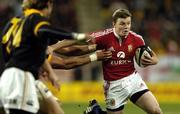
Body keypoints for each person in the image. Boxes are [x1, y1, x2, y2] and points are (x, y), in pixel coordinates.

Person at [0, 0, 92, 114]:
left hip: (12, 76)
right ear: (48, 4)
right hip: (22, 77)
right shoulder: (35, 18)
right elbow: (45, 29)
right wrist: (77, 36)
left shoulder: (13, 22)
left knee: (56, 110)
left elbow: (7, 52)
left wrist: (51, 74)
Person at [85, 9, 162, 114]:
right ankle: (95, 111)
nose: (126, 27)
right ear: (114, 24)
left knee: (156, 111)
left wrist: (153, 61)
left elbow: (155, 58)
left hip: (133, 80)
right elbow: (83, 40)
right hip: (114, 85)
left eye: (128, 23)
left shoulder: (137, 39)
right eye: (122, 23)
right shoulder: (104, 37)